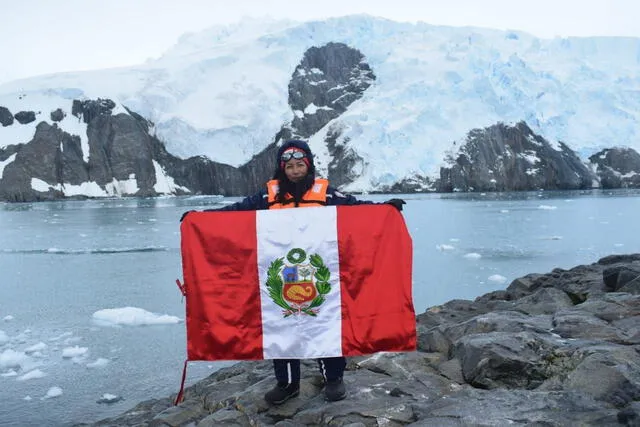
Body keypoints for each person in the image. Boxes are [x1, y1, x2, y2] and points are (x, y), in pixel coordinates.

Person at [181, 139, 405, 405]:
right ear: (282, 169)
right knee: (281, 326)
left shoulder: (325, 193)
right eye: (290, 167)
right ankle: (287, 384)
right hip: (281, 273)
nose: (295, 171)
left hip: (319, 272)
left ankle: (333, 378)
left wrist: (385, 208)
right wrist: (201, 217)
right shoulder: (268, 196)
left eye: (300, 165)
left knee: (325, 323)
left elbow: (355, 206)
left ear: (308, 165)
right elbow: (235, 212)